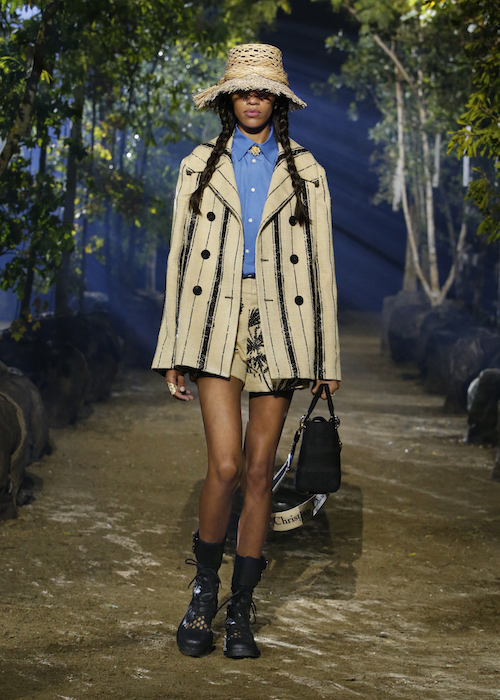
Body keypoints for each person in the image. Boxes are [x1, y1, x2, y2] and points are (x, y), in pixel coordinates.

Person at [152, 43, 341, 659]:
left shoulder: (307, 171)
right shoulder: (196, 166)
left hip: (282, 320)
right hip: (214, 315)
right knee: (226, 467)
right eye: (244, 90)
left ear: (278, 100)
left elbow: (322, 267)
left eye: (264, 91)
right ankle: (203, 592)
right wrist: (173, 348)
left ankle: (240, 609)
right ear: (229, 99)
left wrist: (327, 358)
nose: (253, 99)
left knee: (260, 471)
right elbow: (179, 261)